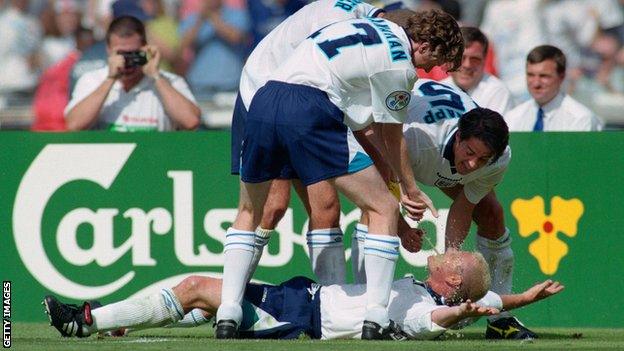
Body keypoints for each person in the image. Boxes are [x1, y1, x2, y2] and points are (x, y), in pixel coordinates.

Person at [219, 9, 463, 340]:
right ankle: (375, 317)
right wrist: (409, 189)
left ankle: (227, 311)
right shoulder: (400, 66)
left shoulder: (369, 27)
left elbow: (361, 122)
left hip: (263, 100)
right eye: (436, 60)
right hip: (310, 107)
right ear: (426, 44)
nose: (429, 70)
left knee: (250, 211)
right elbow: (392, 136)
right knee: (384, 208)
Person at [232, 1, 422, 291]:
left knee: (327, 207)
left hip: (301, 103)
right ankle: (230, 297)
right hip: (265, 90)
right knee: (271, 206)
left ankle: (330, 301)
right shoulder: (360, 35)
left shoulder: (365, 26)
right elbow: (368, 132)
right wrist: (400, 195)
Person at [354, 78, 538, 339]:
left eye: (483, 159)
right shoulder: (418, 140)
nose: (473, 164)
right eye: (470, 152)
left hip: (433, 155)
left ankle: (500, 319)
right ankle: (364, 307)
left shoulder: (499, 159)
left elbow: (464, 206)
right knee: (373, 208)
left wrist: (453, 257)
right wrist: (404, 228)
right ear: (460, 136)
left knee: (491, 214)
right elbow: (380, 186)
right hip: (379, 133)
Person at [42, 249, 564, 340]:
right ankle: (108, 317)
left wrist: (458, 314)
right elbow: (490, 304)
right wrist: (525, 299)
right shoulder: (428, 288)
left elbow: (432, 323)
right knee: (198, 286)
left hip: (302, 317)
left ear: (451, 282)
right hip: (302, 297)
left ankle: (83, 320)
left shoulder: (424, 305)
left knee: (198, 289)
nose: (449, 251)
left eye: (456, 258)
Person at [64, 15, 201, 131]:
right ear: (108, 50)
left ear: (145, 49)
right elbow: (74, 124)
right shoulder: (93, 80)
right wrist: (110, 79)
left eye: (133, 54)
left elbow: (191, 121)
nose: (127, 61)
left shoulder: (169, 82)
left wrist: (156, 76)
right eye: (121, 54)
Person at [505, 45, 603, 131]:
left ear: (561, 76)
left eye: (544, 76)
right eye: (530, 75)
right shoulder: (514, 118)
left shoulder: (580, 119)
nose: (536, 83)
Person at [178, 0, 250, 98]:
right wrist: (200, 20)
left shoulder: (236, 14)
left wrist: (212, 16)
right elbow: (183, 44)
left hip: (230, 83)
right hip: (200, 85)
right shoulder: (193, 18)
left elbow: (236, 37)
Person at [442, 26, 515, 115]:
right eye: (461, 58)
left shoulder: (497, 92)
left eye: (475, 59)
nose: (467, 65)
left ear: (484, 60)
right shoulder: (436, 91)